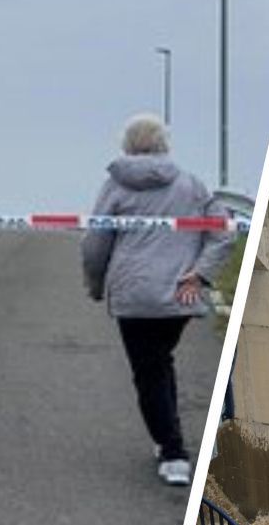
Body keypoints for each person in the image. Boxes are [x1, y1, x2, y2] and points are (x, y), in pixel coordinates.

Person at [81, 114, 233, 487]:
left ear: (127, 146)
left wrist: (97, 285)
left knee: (148, 372)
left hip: (133, 296)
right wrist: (200, 273)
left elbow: (95, 244)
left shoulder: (114, 187)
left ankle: (173, 452)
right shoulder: (190, 185)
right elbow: (224, 232)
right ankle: (169, 438)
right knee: (159, 363)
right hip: (179, 293)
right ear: (164, 144)